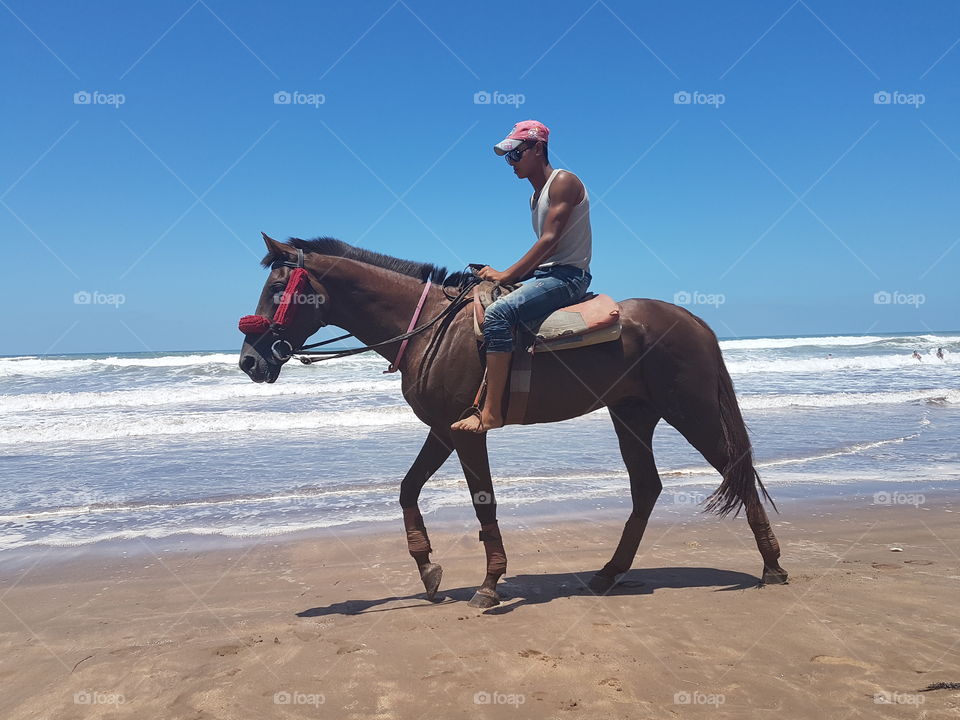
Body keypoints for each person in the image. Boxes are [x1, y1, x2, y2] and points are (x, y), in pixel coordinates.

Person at [451, 120, 592, 433]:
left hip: (568, 278)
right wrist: (499, 276)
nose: (510, 162)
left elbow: (549, 241)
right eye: (507, 157)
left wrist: (506, 274)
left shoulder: (563, 182)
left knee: (499, 314)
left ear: (537, 148)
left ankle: (491, 413)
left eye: (515, 154)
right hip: (547, 275)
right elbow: (543, 253)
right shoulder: (535, 197)